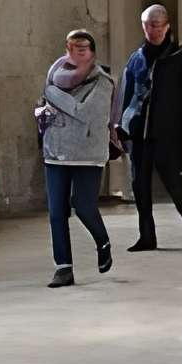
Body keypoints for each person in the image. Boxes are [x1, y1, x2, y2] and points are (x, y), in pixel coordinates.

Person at [117, 3, 182, 248]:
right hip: (139, 131)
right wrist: (121, 125)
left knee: (172, 180)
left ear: (166, 27)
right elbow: (129, 94)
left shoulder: (180, 57)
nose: (150, 30)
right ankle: (147, 236)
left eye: (155, 25)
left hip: (166, 130)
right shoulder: (137, 58)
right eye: (146, 25)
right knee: (139, 184)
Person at [35, 28, 114, 287]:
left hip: (87, 154)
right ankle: (63, 267)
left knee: (83, 206)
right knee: (57, 211)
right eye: (71, 49)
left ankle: (102, 241)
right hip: (55, 152)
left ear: (91, 54)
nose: (75, 55)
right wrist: (44, 109)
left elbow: (87, 113)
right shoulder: (55, 76)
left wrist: (53, 95)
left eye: (82, 50)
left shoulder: (102, 81)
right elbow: (45, 109)